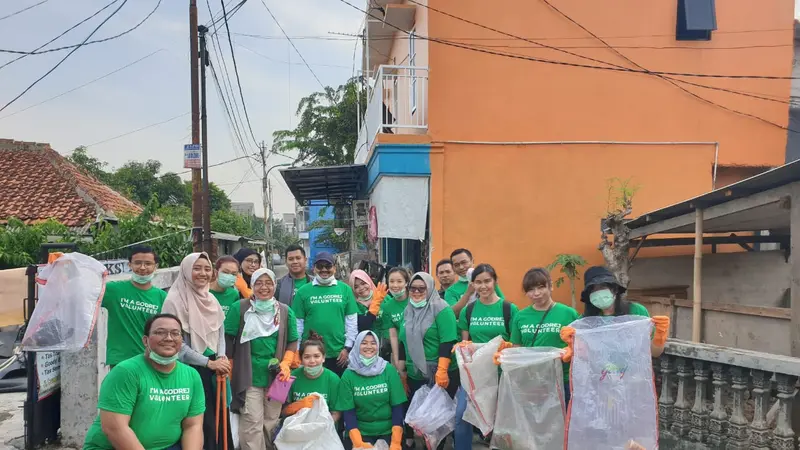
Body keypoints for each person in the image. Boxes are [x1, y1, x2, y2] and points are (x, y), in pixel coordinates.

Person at [82, 314, 204, 450]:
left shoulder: (192, 376)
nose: (169, 338)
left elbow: (193, 426)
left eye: (175, 334)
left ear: (181, 341)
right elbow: (115, 428)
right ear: (145, 340)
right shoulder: (126, 372)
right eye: (160, 332)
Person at [162, 252, 232, 450]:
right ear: (185, 270)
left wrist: (221, 357)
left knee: (219, 421)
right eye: (197, 268)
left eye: (207, 268)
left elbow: (220, 333)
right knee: (198, 423)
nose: (203, 273)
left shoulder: (211, 299)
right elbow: (175, 344)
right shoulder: (174, 301)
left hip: (215, 369)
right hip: (190, 370)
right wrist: (208, 363)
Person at [227, 268, 299, 450]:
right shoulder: (241, 308)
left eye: (268, 283)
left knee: (271, 421)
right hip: (248, 374)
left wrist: (286, 362)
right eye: (258, 283)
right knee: (252, 422)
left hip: (277, 376)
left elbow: (292, 341)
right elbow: (227, 339)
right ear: (252, 285)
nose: (263, 287)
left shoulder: (284, 311)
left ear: (275, 285)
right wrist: (229, 367)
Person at [454, 264, 518, 450]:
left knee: (503, 420)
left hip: (501, 373)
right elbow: (466, 344)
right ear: (472, 284)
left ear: (495, 281)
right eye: (478, 282)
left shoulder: (509, 309)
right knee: (462, 416)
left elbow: (514, 343)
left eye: (487, 281)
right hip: (475, 375)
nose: (483, 286)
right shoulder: (469, 310)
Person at [494, 267, 579, 403]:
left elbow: (579, 347)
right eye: (531, 290)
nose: (536, 293)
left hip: (561, 379)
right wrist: (505, 355)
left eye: (541, 287)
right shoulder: (521, 316)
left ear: (550, 286)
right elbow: (517, 348)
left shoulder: (569, 313)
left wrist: (571, 350)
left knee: (564, 421)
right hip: (532, 381)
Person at [400, 272, 459, 449]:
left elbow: (447, 341)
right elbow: (404, 341)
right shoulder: (408, 310)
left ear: (430, 288)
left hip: (439, 373)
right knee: (422, 421)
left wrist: (442, 371)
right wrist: (402, 371)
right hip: (415, 373)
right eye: (413, 288)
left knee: (435, 421)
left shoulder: (442, 309)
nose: (417, 292)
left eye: (422, 288)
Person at [560, 266, 669, 358]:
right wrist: (572, 345)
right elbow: (586, 357)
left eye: (602, 287)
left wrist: (659, 336)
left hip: (631, 378)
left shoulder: (636, 312)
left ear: (615, 289)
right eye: (593, 290)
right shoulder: (585, 321)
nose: (598, 293)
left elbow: (655, 353)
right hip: (598, 379)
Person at [336, 330, 406, 450]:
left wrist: (395, 441)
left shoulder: (388, 370)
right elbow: (349, 412)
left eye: (373, 343)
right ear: (357, 345)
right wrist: (357, 442)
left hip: (389, 431)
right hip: (360, 431)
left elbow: (397, 407)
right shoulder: (348, 375)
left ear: (378, 346)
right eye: (364, 343)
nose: (369, 346)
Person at [292, 251, 358, 377]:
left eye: (328, 266)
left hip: (338, 354)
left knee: (337, 390)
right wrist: (297, 351)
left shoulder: (345, 290)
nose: (324, 270)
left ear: (334, 267)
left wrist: (347, 348)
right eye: (320, 266)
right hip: (311, 354)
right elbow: (297, 324)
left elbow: (351, 322)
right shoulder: (303, 291)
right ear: (314, 268)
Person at [102, 245, 167, 368]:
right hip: (120, 361)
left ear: (156, 267)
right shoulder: (113, 290)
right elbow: (83, 294)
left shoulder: (162, 297)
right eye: (137, 263)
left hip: (150, 360)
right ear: (129, 265)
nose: (142, 268)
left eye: (148, 264)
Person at [284, 331, 341, 422]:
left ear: (323, 358)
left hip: (324, 430)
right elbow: (283, 411)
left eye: (316, 356)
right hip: (296, 428)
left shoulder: (333, 380)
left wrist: (320, 427)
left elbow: (336, 413)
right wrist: (298, 405)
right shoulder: (292, 377)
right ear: (301, 359)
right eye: (307, 357)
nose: (312, 361)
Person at [445, 248, 505, 316]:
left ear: (472, 261)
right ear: (453, 268)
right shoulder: (451, 291)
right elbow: (453, 314)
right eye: (456, 265)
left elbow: (502, 303)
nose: (461, 267)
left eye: (464, 262)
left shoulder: (487, 280)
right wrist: (468, 293)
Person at [380, 267, 410, 366]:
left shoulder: (415, 299)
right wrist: (396, 360)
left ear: (406, 283)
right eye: (391, 281)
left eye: (399, 281)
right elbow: (393, 336)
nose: (395, 285)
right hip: (402, 351)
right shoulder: (387, 306)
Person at [211, 255, 243, 337]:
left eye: (234, 274)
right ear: (216, 272)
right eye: (225, 272)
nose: (229, 276)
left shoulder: (234, 294)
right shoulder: (204, 293)